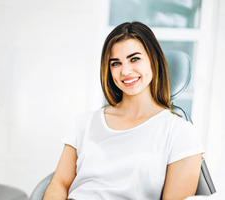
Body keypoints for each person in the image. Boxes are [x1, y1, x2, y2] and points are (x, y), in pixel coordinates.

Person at [43, 21, 204, 200]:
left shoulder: (179, 132)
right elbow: (59, 184)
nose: (125, 71)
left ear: (154, 60)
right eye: (115, 63)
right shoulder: (84, 123)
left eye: (134, 59)